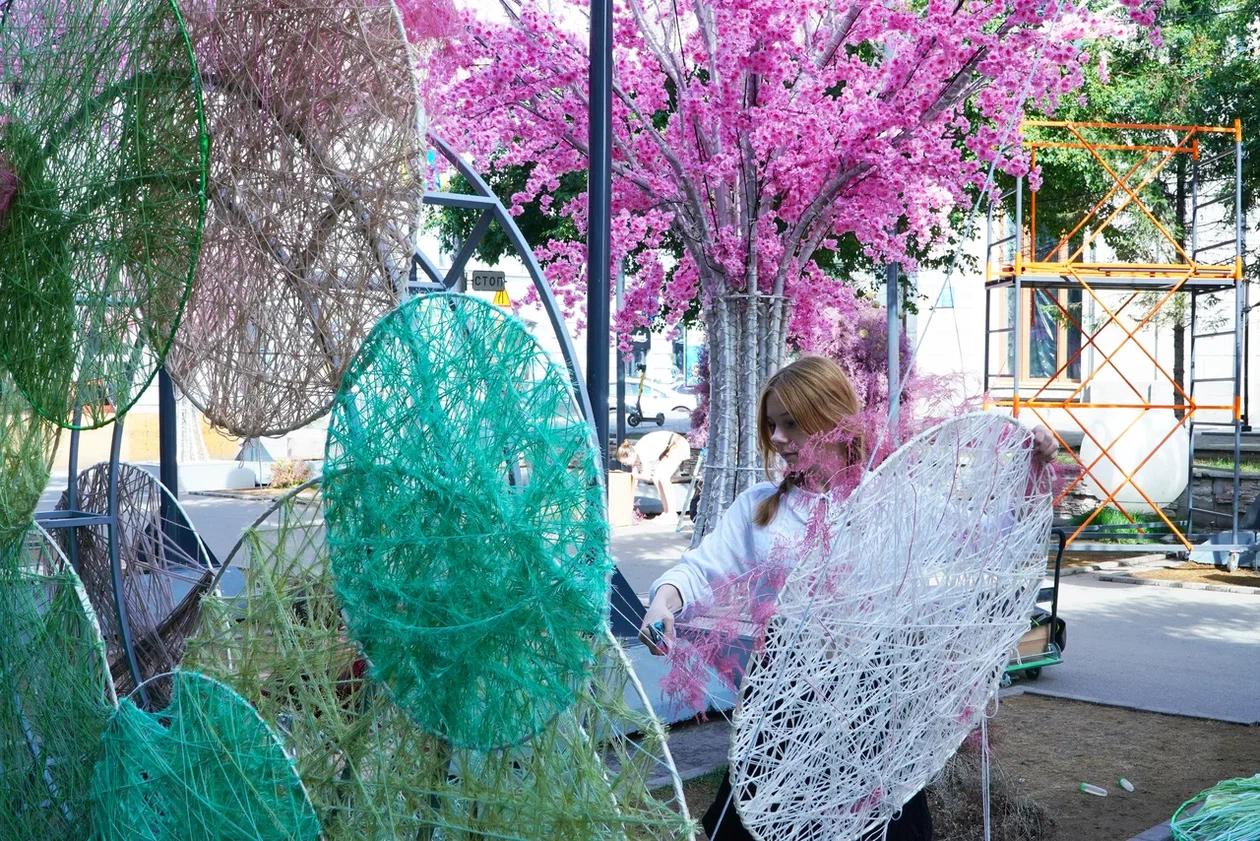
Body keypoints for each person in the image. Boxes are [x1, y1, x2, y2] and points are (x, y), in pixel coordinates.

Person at [638, 355, 1056, 841]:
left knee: (878, 825)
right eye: (771, 425)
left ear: (831, 422)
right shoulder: (760, 509)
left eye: (790, 424)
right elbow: (699, 569)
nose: (776, 438)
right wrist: (663, 601)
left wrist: (1031, 468)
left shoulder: (896, 501)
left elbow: (988, 538)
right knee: (756, 823)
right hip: (786, 703)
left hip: (873, 705)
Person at [616, 430, 691, 523]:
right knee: (657, 478)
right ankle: (667, 512)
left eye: (625, 462)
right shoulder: (637, 451)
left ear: (629, 455)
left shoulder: (641, 451)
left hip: (677, 445)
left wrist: (635, 475)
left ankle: (672, 514)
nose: (626, 465)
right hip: (669, 447)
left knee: (663, 478)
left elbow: (647, 476)